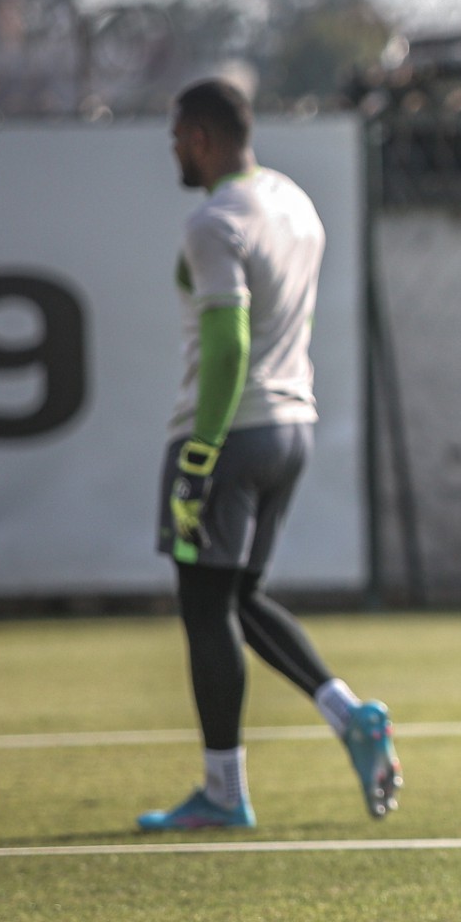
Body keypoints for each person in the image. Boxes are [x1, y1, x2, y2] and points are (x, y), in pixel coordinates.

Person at [138, 78, 401, 832]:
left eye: (177, 137)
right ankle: (352, 715)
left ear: (200, 137)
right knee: (241, 597)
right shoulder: (292, 201)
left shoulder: (214, 220)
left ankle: (224, 790)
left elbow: (229, 343)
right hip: (293, 425)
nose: (174, 151)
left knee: (203, 606)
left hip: (231, 428)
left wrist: (200, 454)